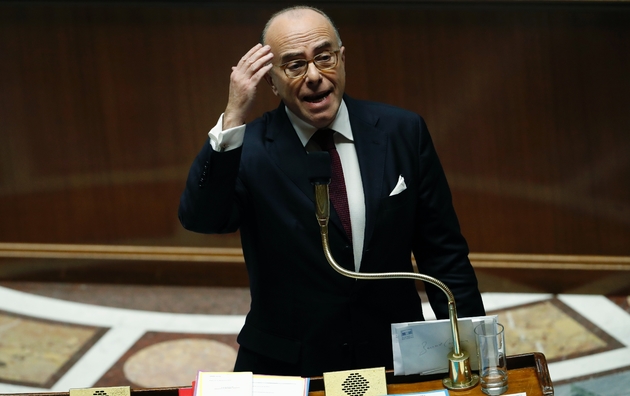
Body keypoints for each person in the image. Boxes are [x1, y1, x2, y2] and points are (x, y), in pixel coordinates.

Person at [179, 6, 485, 377]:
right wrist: (232, 117)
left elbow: (444, 253)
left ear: (342, 59)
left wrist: (477, 350)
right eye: (293, 65)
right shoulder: (248, 148)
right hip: (290, 363)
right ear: (271, 82)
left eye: (324, 57)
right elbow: (202, 219)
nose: (313, 76)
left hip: (392, 356)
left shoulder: (401, 131)